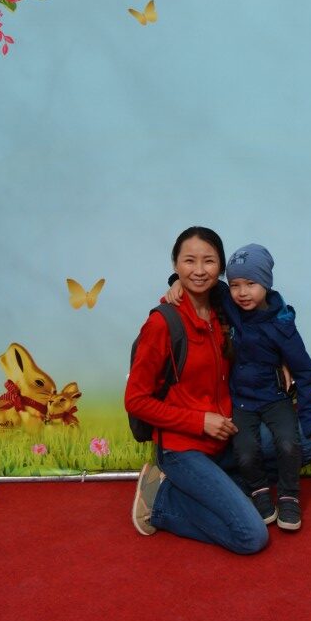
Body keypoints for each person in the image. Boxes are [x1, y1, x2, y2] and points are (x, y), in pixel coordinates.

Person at [124, 226, 268, 554]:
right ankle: (161, 500)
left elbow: (269, 313)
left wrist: (284, 361)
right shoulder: (162, 323)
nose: (199, 270)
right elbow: (135, 400)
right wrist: (199, 421)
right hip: (182, 448)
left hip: (225, 437)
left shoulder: (225, 310)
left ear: (221, 268)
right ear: (175, 265)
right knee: (251, 536)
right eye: (189, 261)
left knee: (307, 441)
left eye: (209, 261)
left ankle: (222, 485)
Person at [167, 242, 311, 532]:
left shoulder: (282, 325)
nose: (242, 292)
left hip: (275, 400)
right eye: (236, 285)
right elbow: (204, 285)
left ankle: (289, 496)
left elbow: (305, 373)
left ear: (266, 283)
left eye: (251, 284)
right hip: (240, 402)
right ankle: (258, 492)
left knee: (289, 444)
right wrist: (176, 282)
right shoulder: (230, 307)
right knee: (246, 450)